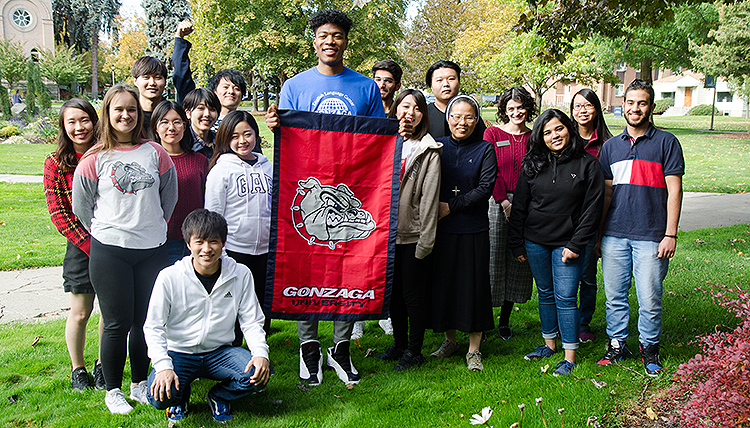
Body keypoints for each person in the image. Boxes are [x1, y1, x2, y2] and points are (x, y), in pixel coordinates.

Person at [265, 8, 384, 386]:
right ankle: (309, 347)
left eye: (337, 35)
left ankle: (342, 346)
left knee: (349, 260)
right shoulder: (295, 87)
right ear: (313, 40)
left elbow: (378, 139)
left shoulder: (365, 88)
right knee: (305, 263)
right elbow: (288, 138)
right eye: (324, 35)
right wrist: (276, 126)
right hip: (306, 188)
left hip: (352, 188)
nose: (330, 41)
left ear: (346, 41)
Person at [72, 84, 178, 414]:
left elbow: (168, 197)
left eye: (131, 109)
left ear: (139, 113)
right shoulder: (94, 158)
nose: (125, 115)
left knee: (145, 321)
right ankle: (113, 391)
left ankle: (139, 384)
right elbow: (81, 206)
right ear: (108, 113)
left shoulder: (155, 153)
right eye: (118, 109)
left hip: (152, 249)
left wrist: (150, 225)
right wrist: (108, 229)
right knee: (116, 323)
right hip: (110, 251)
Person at [144, 209, 270, 424]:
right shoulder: (169, 277)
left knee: (257, 376)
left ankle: (219, 396)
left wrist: (260, 353)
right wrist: (163, 366)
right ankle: (179, 397)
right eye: (199, 241)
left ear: (223, 243)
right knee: (158, 397)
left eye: (213, 241)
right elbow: (153, 327)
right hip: (179, 352)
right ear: (188, 244)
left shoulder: (240, 274)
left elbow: (251, 320)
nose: (206, 249)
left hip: (219, 352)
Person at [596, 79, 684, 377]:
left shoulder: (666, 143)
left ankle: (650, 349)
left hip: (651, 235)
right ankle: (617, 344)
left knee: (649, 297)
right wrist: (598, 235)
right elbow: (607, 194)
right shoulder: (610, 147)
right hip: (614, 234)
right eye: (630, 102)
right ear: (623, 105)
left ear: (651, 107)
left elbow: (675, 191)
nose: (635, 108)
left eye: (642, 103)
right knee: (615, 296)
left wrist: (670, 233)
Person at [507, 109, 604, 376]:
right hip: (535, 241)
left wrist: (575, 245)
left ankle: (570, 356)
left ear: (569, 129)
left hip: (568, 245)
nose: (554, 136)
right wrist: (516, 243)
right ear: (541, 136)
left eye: (559, 129)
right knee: (546, 294)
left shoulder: (587, 164)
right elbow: (520, 207)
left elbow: (592, 210)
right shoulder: (532, 164)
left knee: (565, 297)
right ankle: (549, 344)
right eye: (547, 132)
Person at [374, 89, 441, 371]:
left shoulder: (429, 150)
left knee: (412, 294)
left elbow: (429, 199)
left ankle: (415, 350)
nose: (409, 113)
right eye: (404, 107)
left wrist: (425, 240)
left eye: (415, 108)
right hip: (383, 235)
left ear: (422, 115)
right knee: (393, 294)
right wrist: (392, 137)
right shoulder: (383, 144)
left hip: (412, 234)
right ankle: (399, 344)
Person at [428, 95, 497, 371]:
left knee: (473, 288)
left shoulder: (485, 149)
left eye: (469, 117)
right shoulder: (438, 147)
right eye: (456, 116)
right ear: (448, 119)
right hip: (442, 230)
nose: (462, 122)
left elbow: (485, 188)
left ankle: (474, 349)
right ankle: (450, 340)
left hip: (473, 230)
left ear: (477, 120)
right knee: (445, 285)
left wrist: (451, 206)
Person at [43, 98, 105, 391]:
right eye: (72, 122)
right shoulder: (55, 163)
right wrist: (90, 245)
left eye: (85, 120)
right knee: (80, 312)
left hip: (113, 241)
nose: (80, 127)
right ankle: (78, 369)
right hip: (81, 246)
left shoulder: (107, 154)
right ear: (64, 126)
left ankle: (104, 364)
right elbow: (59, 213)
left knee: (109, 311)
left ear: (94, 121)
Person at [205, 110, 273, 337]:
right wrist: (219, 250)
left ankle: (260, 352)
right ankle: (231, 351)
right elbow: (213, 215)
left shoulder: (268, 167)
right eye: (234, 136)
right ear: (225, 138)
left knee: (262, 303)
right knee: (233, 305)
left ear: (257, 135)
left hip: (265, 250)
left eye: (247, 134)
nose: (242, 141)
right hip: (235, 249)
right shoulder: (221, 170)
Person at [484, 86, 537, 340]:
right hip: (496, 202)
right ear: (504, 110)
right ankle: (483, 321)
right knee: (492, 259)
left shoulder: (535, 136)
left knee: (518, 261)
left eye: (521, 107)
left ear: (528, 107)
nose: (517, 112)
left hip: (527, 205)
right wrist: (504, 201)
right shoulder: (492, 133)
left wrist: (522, 203)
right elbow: (489, 169)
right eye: (511, 108)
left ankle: (505, 320)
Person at [172, 20, 261, 153]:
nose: (231, 91)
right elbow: (182, 78)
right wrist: (180, 40)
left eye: (236, 88)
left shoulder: (245, 124)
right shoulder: (200, 117)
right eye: (225, 87)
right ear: (215, 91)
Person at [569, 88, 613, 343]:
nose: (582, 111)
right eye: (577, 106)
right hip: (563, 218)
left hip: (591, 219)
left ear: (596, 109)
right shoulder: (565, 139)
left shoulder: (607, 144)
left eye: (587, 105)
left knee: (586, 275)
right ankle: (564, 318)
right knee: (564, 273)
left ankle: (583, 322)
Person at [149, 101, 209, 264]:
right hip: (161, 240)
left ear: (184, 125)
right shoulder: (149, 161)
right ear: (155, 127)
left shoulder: (200, 160)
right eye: (164, 122)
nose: (171, 128)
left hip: (195, 239)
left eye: (176, 122)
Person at [424, 60, 486, 140]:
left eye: (451, 79)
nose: (446, 84)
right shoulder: (424, 115)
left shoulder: (470, 114)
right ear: (431, 86)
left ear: (459, 83)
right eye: (439, 80)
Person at [183, 88, 221, 160]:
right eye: (201, 108)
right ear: (188, 113)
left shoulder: (221, 142)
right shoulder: (182, 143)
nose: (207, 114)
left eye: (212, 109)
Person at [131, 56, 167, 130]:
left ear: (165, 82)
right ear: (135, 81)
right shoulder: (130, 115)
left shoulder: (171, 114)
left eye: (157, 77)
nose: (152, 83)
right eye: (146, 77)